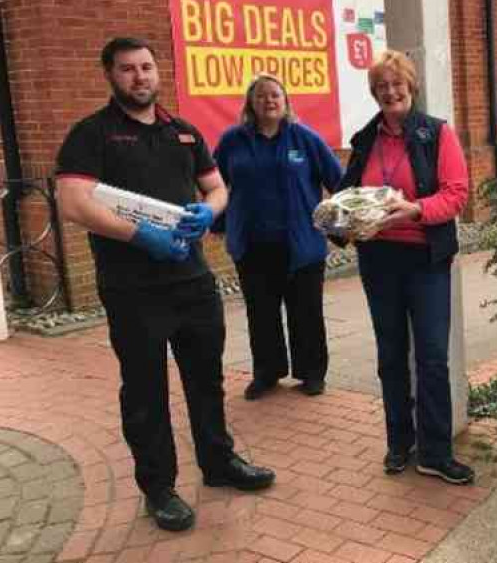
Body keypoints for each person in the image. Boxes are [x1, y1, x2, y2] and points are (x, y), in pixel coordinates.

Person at [55, 38, 276, 533]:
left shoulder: (184, 132)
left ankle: (219, 463)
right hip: (133, 289)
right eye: (128, 69)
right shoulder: (92, 134)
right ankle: (159, 487)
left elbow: (217, 187)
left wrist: (209, 210)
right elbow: (72, 202)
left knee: (207, 380)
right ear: (110, 75)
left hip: (192, 280)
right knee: (145, 391)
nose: (140, 77)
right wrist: (140, 235)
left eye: (147, 67)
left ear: (158, 73)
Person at [333, 49, 475, 485]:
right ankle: (399, 443)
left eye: (397, 84)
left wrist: (414, 210)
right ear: (374, 93)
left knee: (432, 357)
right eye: (381, 86)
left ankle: (435, 451)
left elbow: (456, 194)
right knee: (391, 355)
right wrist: (337, 218)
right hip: (379, 260)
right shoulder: (364, 140)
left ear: (411, 87)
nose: (390, 92)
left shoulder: (437, 134)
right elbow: (348, 195)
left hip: (425, 259)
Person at [212, 73, 343, 400]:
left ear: (285, 102)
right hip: (252, 247)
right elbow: (213, 185)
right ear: (250, 104)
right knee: (261, 314)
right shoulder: (232, 141)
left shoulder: (305, 139)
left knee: (306, 313)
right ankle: (267, 374)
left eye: (275, 95)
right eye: (261, 96)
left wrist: (340, 225)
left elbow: (339, 182)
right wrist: (219, 223)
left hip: (302, 245)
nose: (269, 101)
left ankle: (312, 373)